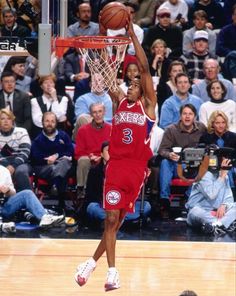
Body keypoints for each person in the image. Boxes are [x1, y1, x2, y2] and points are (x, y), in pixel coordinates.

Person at [74, 18, 156, 291]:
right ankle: (112, 272)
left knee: (117, 222)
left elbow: (143, 67)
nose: (130, 86)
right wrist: (102, 35)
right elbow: (108, 71)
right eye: (129, 84)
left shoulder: (148, 106)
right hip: (117, 167)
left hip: (136, 170)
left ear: (142, 89)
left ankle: (91, 262)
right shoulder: (118, 101)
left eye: (134, 84)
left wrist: (131, 34)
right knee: (110, 219)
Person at [85, 141, 151, 228]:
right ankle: (121, 221)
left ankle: (114, 222)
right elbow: (91, 194)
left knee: (146, 206)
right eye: (108, 151)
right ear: (101, 154)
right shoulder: (95, 171)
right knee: (92, 207)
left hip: (123, 207)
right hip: (104, 205)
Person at [158, 104, 206, 218]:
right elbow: (162, 150)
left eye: (190, 114)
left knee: (205, 166)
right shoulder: (171, 129)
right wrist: (169, 154)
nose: (187, 117)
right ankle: (164, 201)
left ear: (195, 116)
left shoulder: (202, 128)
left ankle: (187, 198)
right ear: (180, 116)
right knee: (165, 163)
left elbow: (207, 147)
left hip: (194, 167)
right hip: (176, 166)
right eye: (184, 114)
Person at [0, 164, 65, 234]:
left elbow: (12, 194)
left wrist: (8, 191)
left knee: (27, 193)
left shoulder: (3, 171)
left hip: (4, 207)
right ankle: (2, 226)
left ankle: (44, 217)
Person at [30, 111, 74, 208]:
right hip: (44, 167)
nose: (50, 124)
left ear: (56, 123)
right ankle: (61, 201)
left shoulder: (63, 135)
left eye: (52, 121)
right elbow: (35, 157)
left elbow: (70, 150)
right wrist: (47, 160)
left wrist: (57, 155)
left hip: (62, 163)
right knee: (60, 170)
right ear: (42, 123)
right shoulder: (37, 139)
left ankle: (55, 184)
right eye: (47, 121)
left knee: (64, 163)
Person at [186, 156, 236, 236]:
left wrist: (224, 205)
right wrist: (222, 176)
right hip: (202, 211)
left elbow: (229, 198)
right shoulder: (202, 175)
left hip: (218, 213)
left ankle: (217, 226)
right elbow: (211, 194)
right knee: (195, 212)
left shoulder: (224, 175)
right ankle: (225, 224)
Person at [74, 102, 111, 202]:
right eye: (94, 112)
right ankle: (82, 191)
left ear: (104, 112)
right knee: (83, 160)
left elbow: (114, 150)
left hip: (105, 159)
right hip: (89, 159)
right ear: (90, 114)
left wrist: (102, 157)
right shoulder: (83, 130)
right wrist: (90, 157)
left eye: (100, 111)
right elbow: (78, 152)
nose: (98, 114)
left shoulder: (111, 129)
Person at [30, 73, 74, 139]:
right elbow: (37, 121)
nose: (49, 85)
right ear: (41, 86)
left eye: (51, 82)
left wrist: (55, 99)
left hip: (59, 135)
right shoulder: (34, 101)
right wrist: (57, 120)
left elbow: (60, 116)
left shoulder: (63, 99)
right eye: (45, 83)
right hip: (40, 135)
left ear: (54, 85)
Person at [73, 73, 113, 140]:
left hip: (108, 130)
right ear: (90, 84)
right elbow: (81, 120)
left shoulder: (111, 98)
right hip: (87, 130)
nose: (97, 83)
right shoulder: (82, 99)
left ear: (104, 84)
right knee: (83, 118)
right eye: (94, 81)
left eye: (100, 80)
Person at [0, 108, 31, 192]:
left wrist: (13, 166)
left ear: (12, 121)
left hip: (21, 162)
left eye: (8, 118)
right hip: (2, 163)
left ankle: (26, 199)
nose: (6, 121)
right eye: (3, 119)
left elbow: (25, 151)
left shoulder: (21, 131)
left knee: (21, 172)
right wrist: (7, 167)